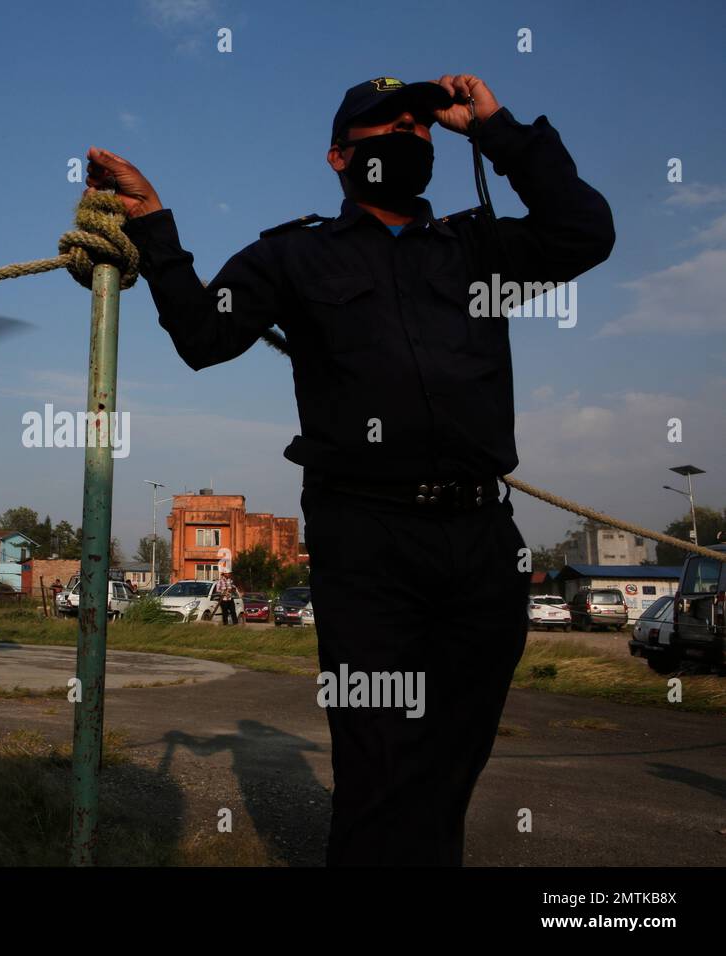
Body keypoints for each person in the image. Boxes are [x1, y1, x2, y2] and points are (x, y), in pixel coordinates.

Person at [87, 74, 614, 866]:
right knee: (379, 763)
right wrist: (154, 221)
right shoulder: (293, 255)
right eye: (387, 126)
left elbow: (584, 230)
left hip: (483, 542)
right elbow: (203, 335)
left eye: (420, 124)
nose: (410, 134)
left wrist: (496, 130)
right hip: (367, 541)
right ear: (340, 156)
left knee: (449, 765)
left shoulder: (479, 248)